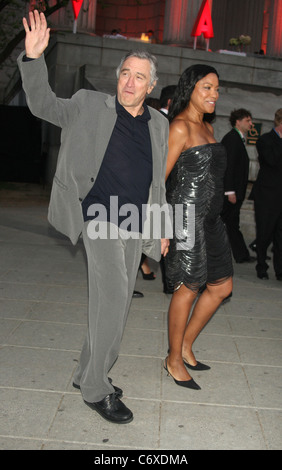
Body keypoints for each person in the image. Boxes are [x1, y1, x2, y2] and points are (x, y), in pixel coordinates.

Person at [19, 10, 169, 424]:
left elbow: (158, 182)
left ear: (151, 86)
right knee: (113, 302)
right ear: (117, 75)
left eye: (139, 76)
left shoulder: (159, 123)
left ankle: (88, 372)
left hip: (135, 222)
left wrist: (161, 232)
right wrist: (33, 61)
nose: (129, 81)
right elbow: (43, 105)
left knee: (114, 308)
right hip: (100, 217)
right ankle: (96, 388)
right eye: (125, 73)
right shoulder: (89, 105)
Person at [164, 64, 233, 390]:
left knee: (221, 287)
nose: (214, 95)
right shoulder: (179, 127)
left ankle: (186, 345)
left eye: (217, 89)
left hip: (212, 220)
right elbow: (158, 179)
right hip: (186, 219)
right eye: (207, 87)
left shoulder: (206, 127)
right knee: (188, 288)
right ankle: (173, 359)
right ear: (190, 88)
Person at [221, 109, 255, 263]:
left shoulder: (237, 138)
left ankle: (241, 254)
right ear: (238, 121)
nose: (251, 124)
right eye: (248, 120)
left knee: (231, 223)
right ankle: (240, 255)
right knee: (229, 223)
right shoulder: (232, 139)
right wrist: (230, 191)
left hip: (235, 191)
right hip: (231, 192)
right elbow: (228, 166)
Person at [253, 108, 282, 280]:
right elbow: (271, 161)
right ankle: (261, 266)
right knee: (264, 233)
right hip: (267, 196)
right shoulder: (265, 140)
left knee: (280, 236)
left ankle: (279, 270)